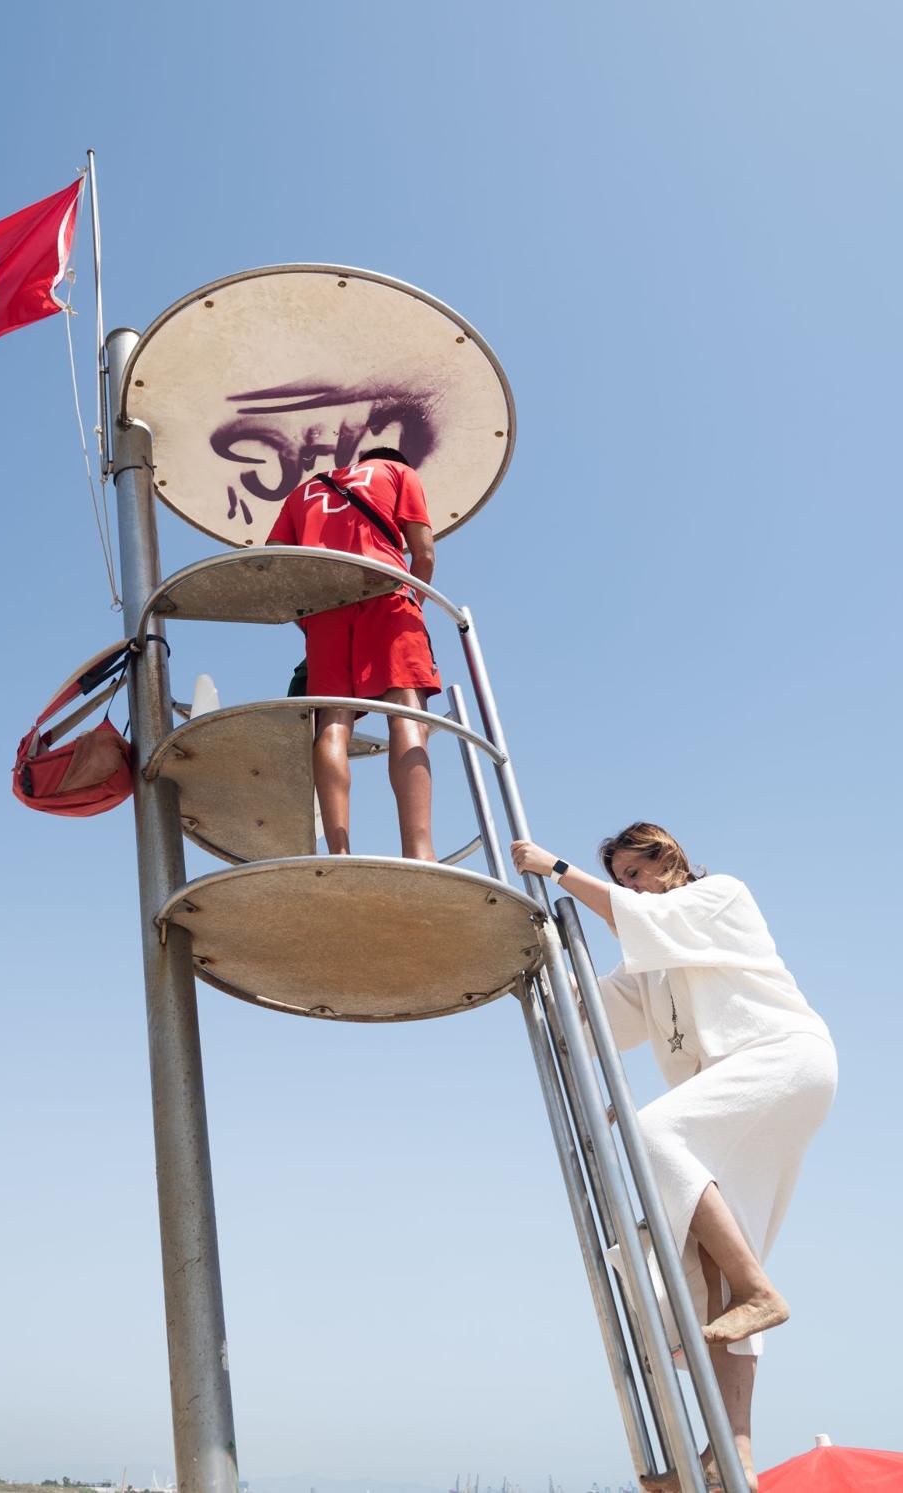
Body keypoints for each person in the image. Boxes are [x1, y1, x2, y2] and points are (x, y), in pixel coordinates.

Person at [510, 823, 837, 1493]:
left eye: (637, 870)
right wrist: (529, 961)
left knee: (651, 1133)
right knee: (703, 1269)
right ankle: (730, 1460)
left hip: (783, 1058)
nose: (631, 886)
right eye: (623, 877)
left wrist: (558, 868)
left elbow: (644, 918)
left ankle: (759, 1289)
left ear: (670, 860)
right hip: (730, 1103)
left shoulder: (719, 896)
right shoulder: (649, 963)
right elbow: (592, 1016)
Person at [266, 447, 442, 860]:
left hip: (325, 607)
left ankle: (339, 851)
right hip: (387, 591)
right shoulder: (399, 471)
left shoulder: (303, 491)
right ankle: (419, 851)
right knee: (407, 712)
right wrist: (413, 602)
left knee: (333, 721)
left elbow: (275, 564)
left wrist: (309, 621)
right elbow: (425, 553)